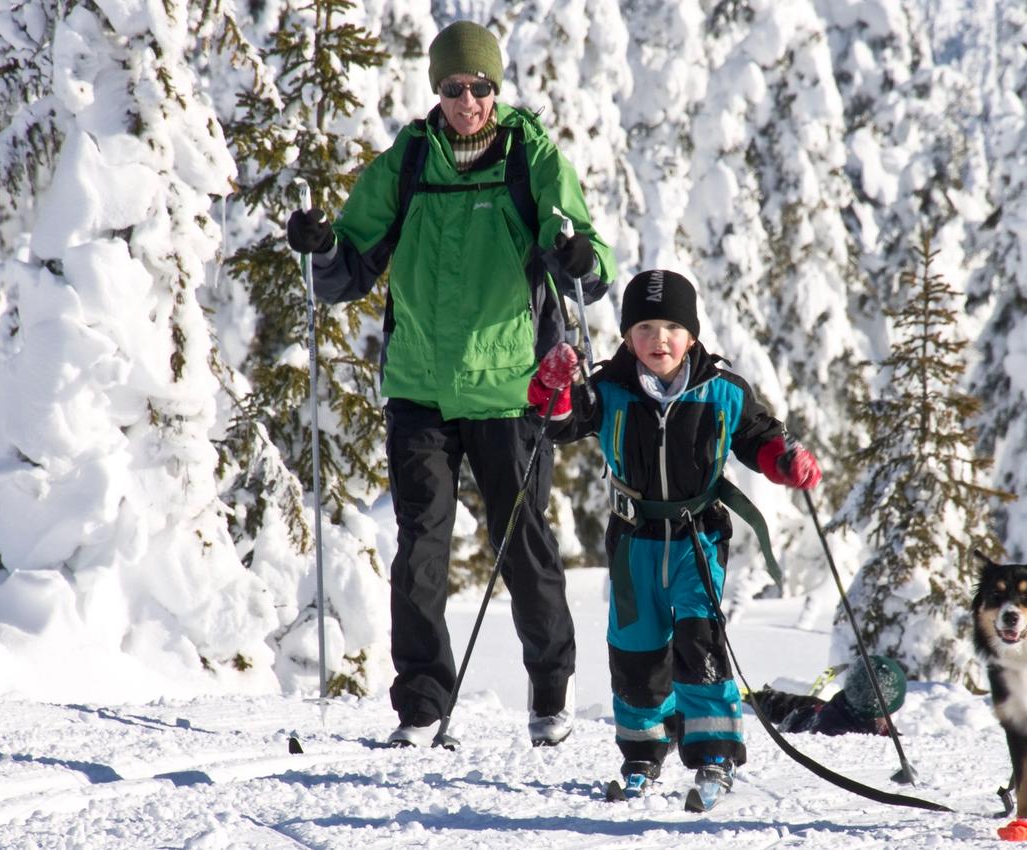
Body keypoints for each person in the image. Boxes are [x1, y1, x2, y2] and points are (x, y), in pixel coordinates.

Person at [286, 19, 617, 748]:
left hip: (511, 390)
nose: (467, 99)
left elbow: (592, 267)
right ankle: (423, 704)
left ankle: (550, 693)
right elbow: (348, 269)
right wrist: (319, 248)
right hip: (421, 389)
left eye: (479, 86)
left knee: (523, 545)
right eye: (453, 86)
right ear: (437, 89)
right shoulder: (409, 160)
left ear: (497, 89)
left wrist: (576, 254)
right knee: (420, 550)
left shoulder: (528, 158)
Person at [530, 269, 821, 796]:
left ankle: (714, 755)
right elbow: (559, 424)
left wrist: (786, 459)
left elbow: (758, 437)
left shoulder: (722, 390)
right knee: (636, 651)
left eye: (670, 327)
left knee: (700, 641)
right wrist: (551, 388)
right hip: (633, 543)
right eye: (643, 328)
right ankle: (643, 753)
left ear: (691, 335)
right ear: (626, 337)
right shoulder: (608, 389)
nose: (657, 339)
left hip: (697, 538)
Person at [745, 655, 907, 738]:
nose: (891, 718)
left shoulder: (824, 711)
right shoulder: (847, 740)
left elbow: (788, 705)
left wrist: (762, 699)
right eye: (889, 712)